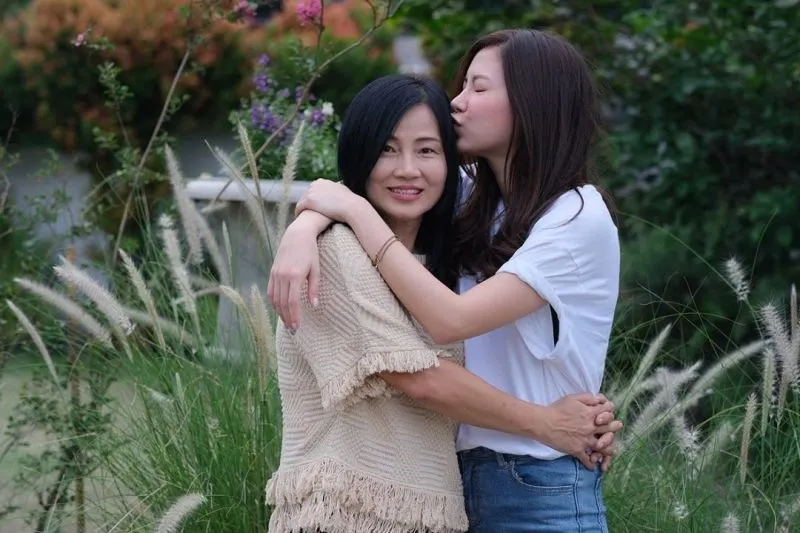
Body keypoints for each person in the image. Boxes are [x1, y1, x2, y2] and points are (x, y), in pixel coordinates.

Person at [269, 30, 621, 532]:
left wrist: (348, 211)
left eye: (479, 88)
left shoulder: (575, 216)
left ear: (533, 102)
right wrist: (304, 229)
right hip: (455, 476)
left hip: (539, 480)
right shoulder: (471, 197)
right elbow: (363, 181)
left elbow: (449, 320)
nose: (457, 102)